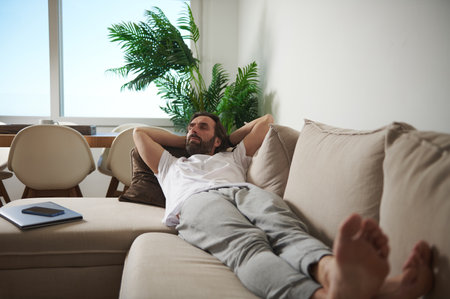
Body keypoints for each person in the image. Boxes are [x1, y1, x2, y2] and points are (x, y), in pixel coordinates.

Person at [133, 112, 433, 299]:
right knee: (247, 246)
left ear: (217, 140)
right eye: (190, 126)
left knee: (289, 232)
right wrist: (187, 138)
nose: (193, 129)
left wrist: (226, 142)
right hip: (196, 201)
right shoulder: (170, 165)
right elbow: (138, 134)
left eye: (202, 126)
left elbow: (266, 122)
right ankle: (320, 296)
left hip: (244, 192)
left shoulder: (231, 156)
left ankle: (334, 275)